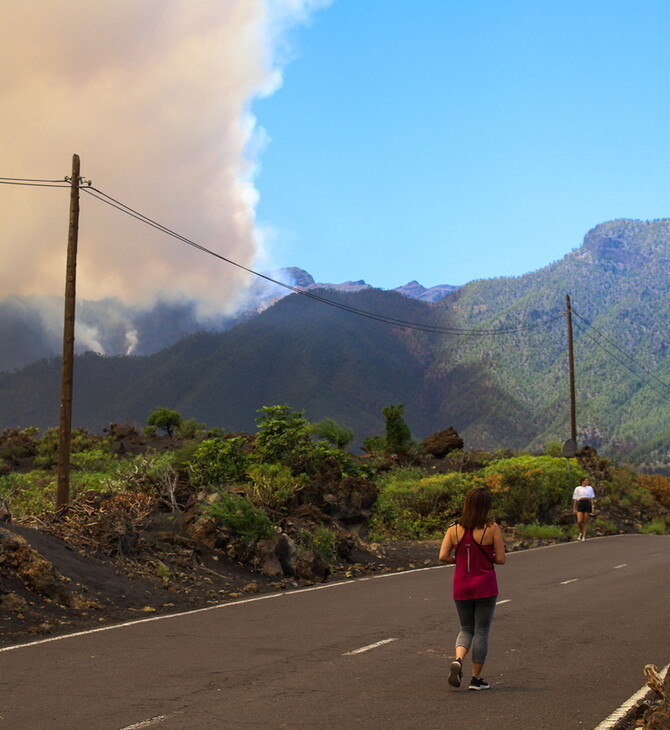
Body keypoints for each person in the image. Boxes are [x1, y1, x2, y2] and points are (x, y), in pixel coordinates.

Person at [439, 487, 506, 691]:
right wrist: (486, 559)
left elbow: (443, 556)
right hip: (485, 585)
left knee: (465, 628)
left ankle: (458, 659)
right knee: (482, 631)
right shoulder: (491, 528)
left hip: (461, 585)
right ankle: (476, 679)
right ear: (486, 507)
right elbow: (501, 559)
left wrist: (458, 560)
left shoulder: (453, 529)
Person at [572, 476, 596, 541]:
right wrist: (574, 508)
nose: (587, 482)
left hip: (587, 503)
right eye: (586, 480)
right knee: (579, 521)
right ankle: (581, 532)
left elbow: (592, 498)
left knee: (585, 521)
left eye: (587, 481)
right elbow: (575, 499)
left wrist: (593, 507)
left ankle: (584, 536)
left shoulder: (590, 488)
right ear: (582, 481)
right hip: (580, 503)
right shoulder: (577, 488)